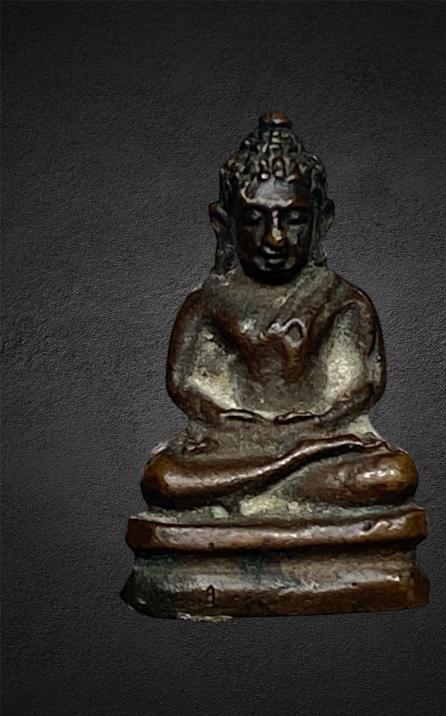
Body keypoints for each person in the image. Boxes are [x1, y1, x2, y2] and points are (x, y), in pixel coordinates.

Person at [141, 112, 417, 515]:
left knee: (392, 474)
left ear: (322, 222)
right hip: (232, 444)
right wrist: (229, 421)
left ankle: (252, 488)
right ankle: (276, 477)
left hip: (322, 444)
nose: (275, 238)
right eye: (255, 219)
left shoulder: (343, 300)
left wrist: (319, 424)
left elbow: (363, 385)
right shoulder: (208, 302)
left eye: (294, 219)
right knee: (164, 478)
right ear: (224, 224)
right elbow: (184, 383)